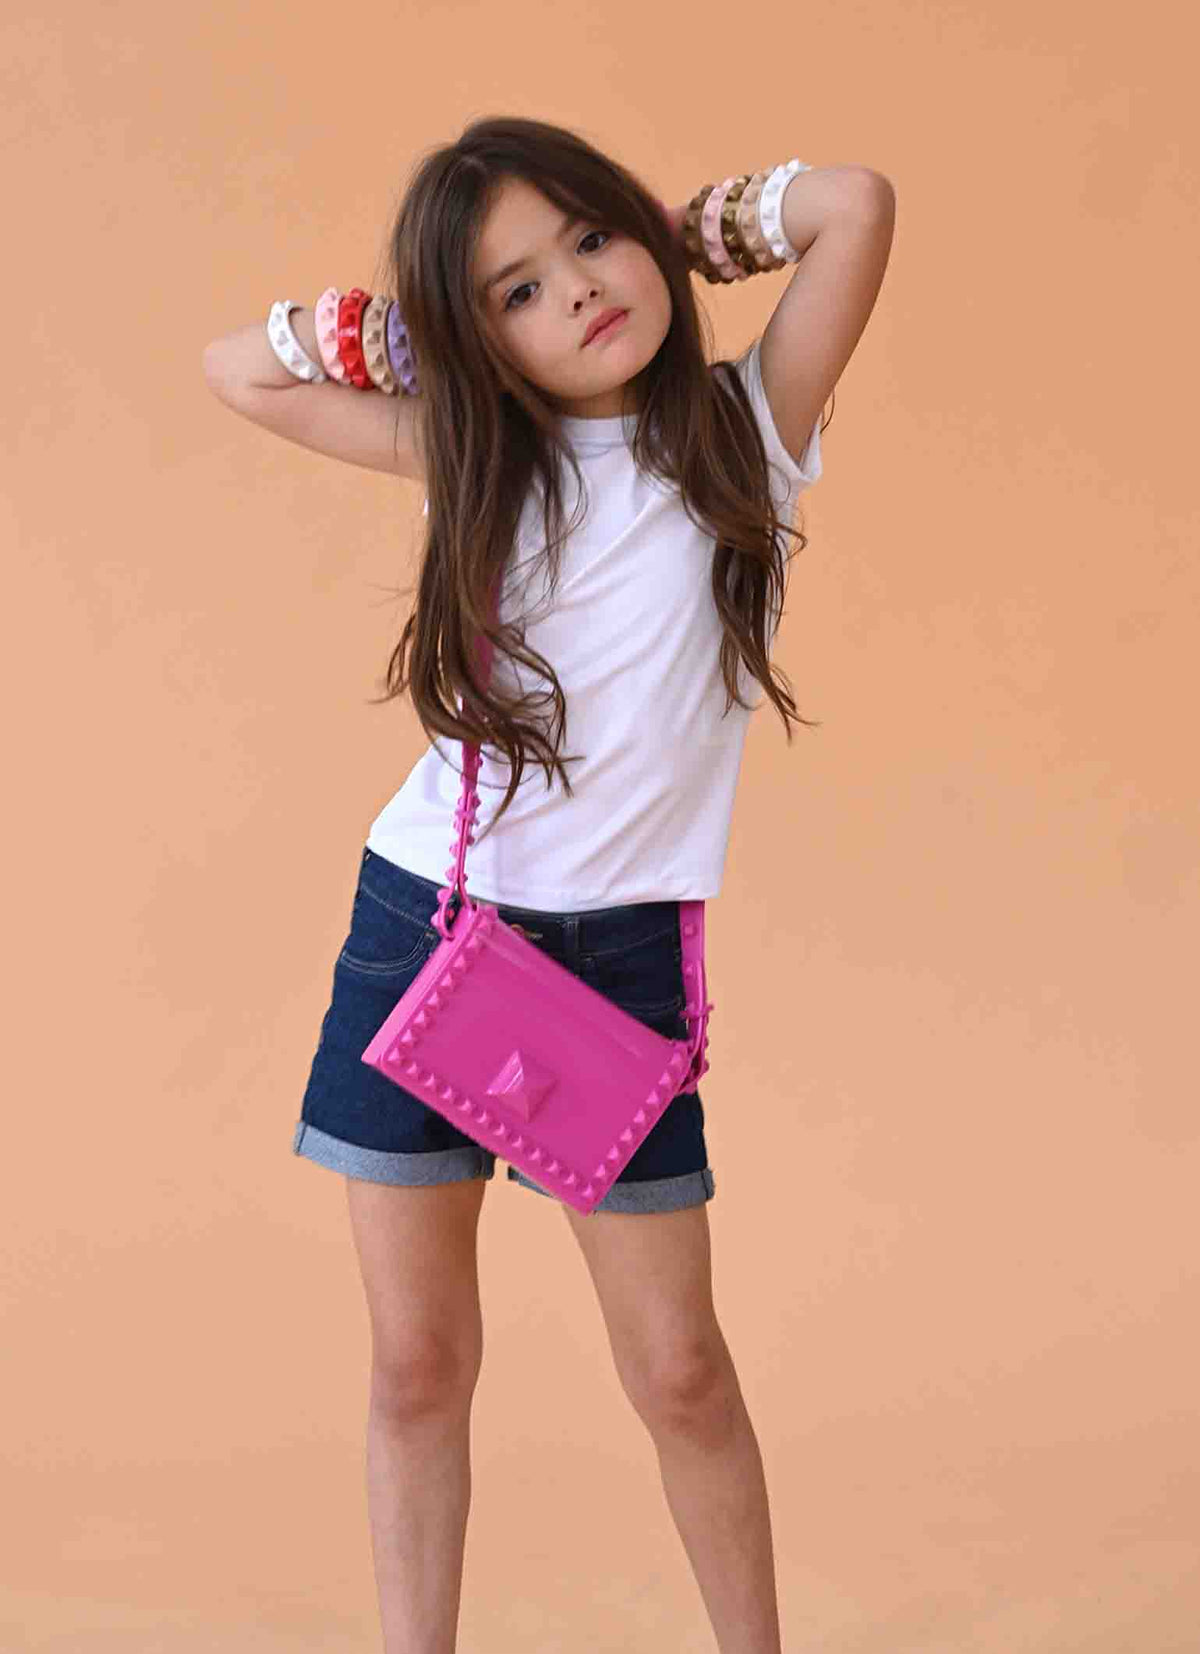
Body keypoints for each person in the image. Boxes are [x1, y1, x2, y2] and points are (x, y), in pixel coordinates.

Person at [203, 115, 895, 1654]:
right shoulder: (478, 451)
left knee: (681, 1371)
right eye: (512, 290)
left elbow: (852, 208)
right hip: (427, 931)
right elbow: (236, 371)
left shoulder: (744, 429)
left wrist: (691, 221)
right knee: (416, 1362)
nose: (575, 290)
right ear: (480, 341)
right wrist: (380, 338)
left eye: (589, 237)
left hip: (618, 960)